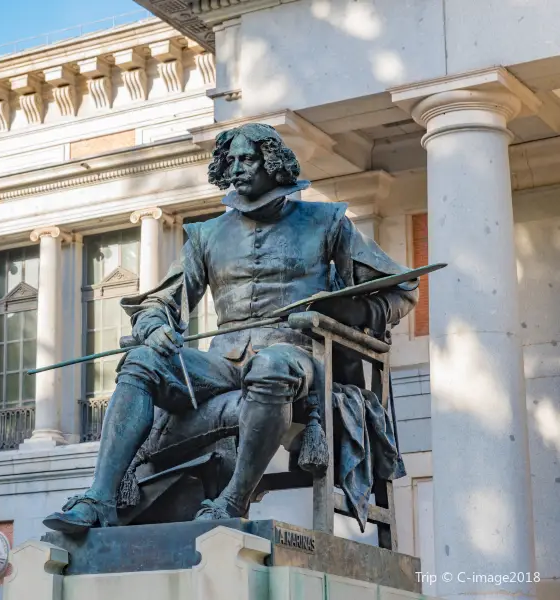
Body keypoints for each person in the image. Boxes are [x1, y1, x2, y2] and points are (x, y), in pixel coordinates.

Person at [43, 123, 418, 534]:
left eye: (248, 159)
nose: (236, 168)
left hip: (298, 357)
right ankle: (98, 499)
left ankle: (233, 500)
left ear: (272, 164)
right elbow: (160, 301)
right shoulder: (207, 234)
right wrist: (153, 327)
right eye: (231, 160)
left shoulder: (326, 221)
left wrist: (348, 312)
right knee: (142, 360)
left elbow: (401, 290)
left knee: (270, 366)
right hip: (222, 364)